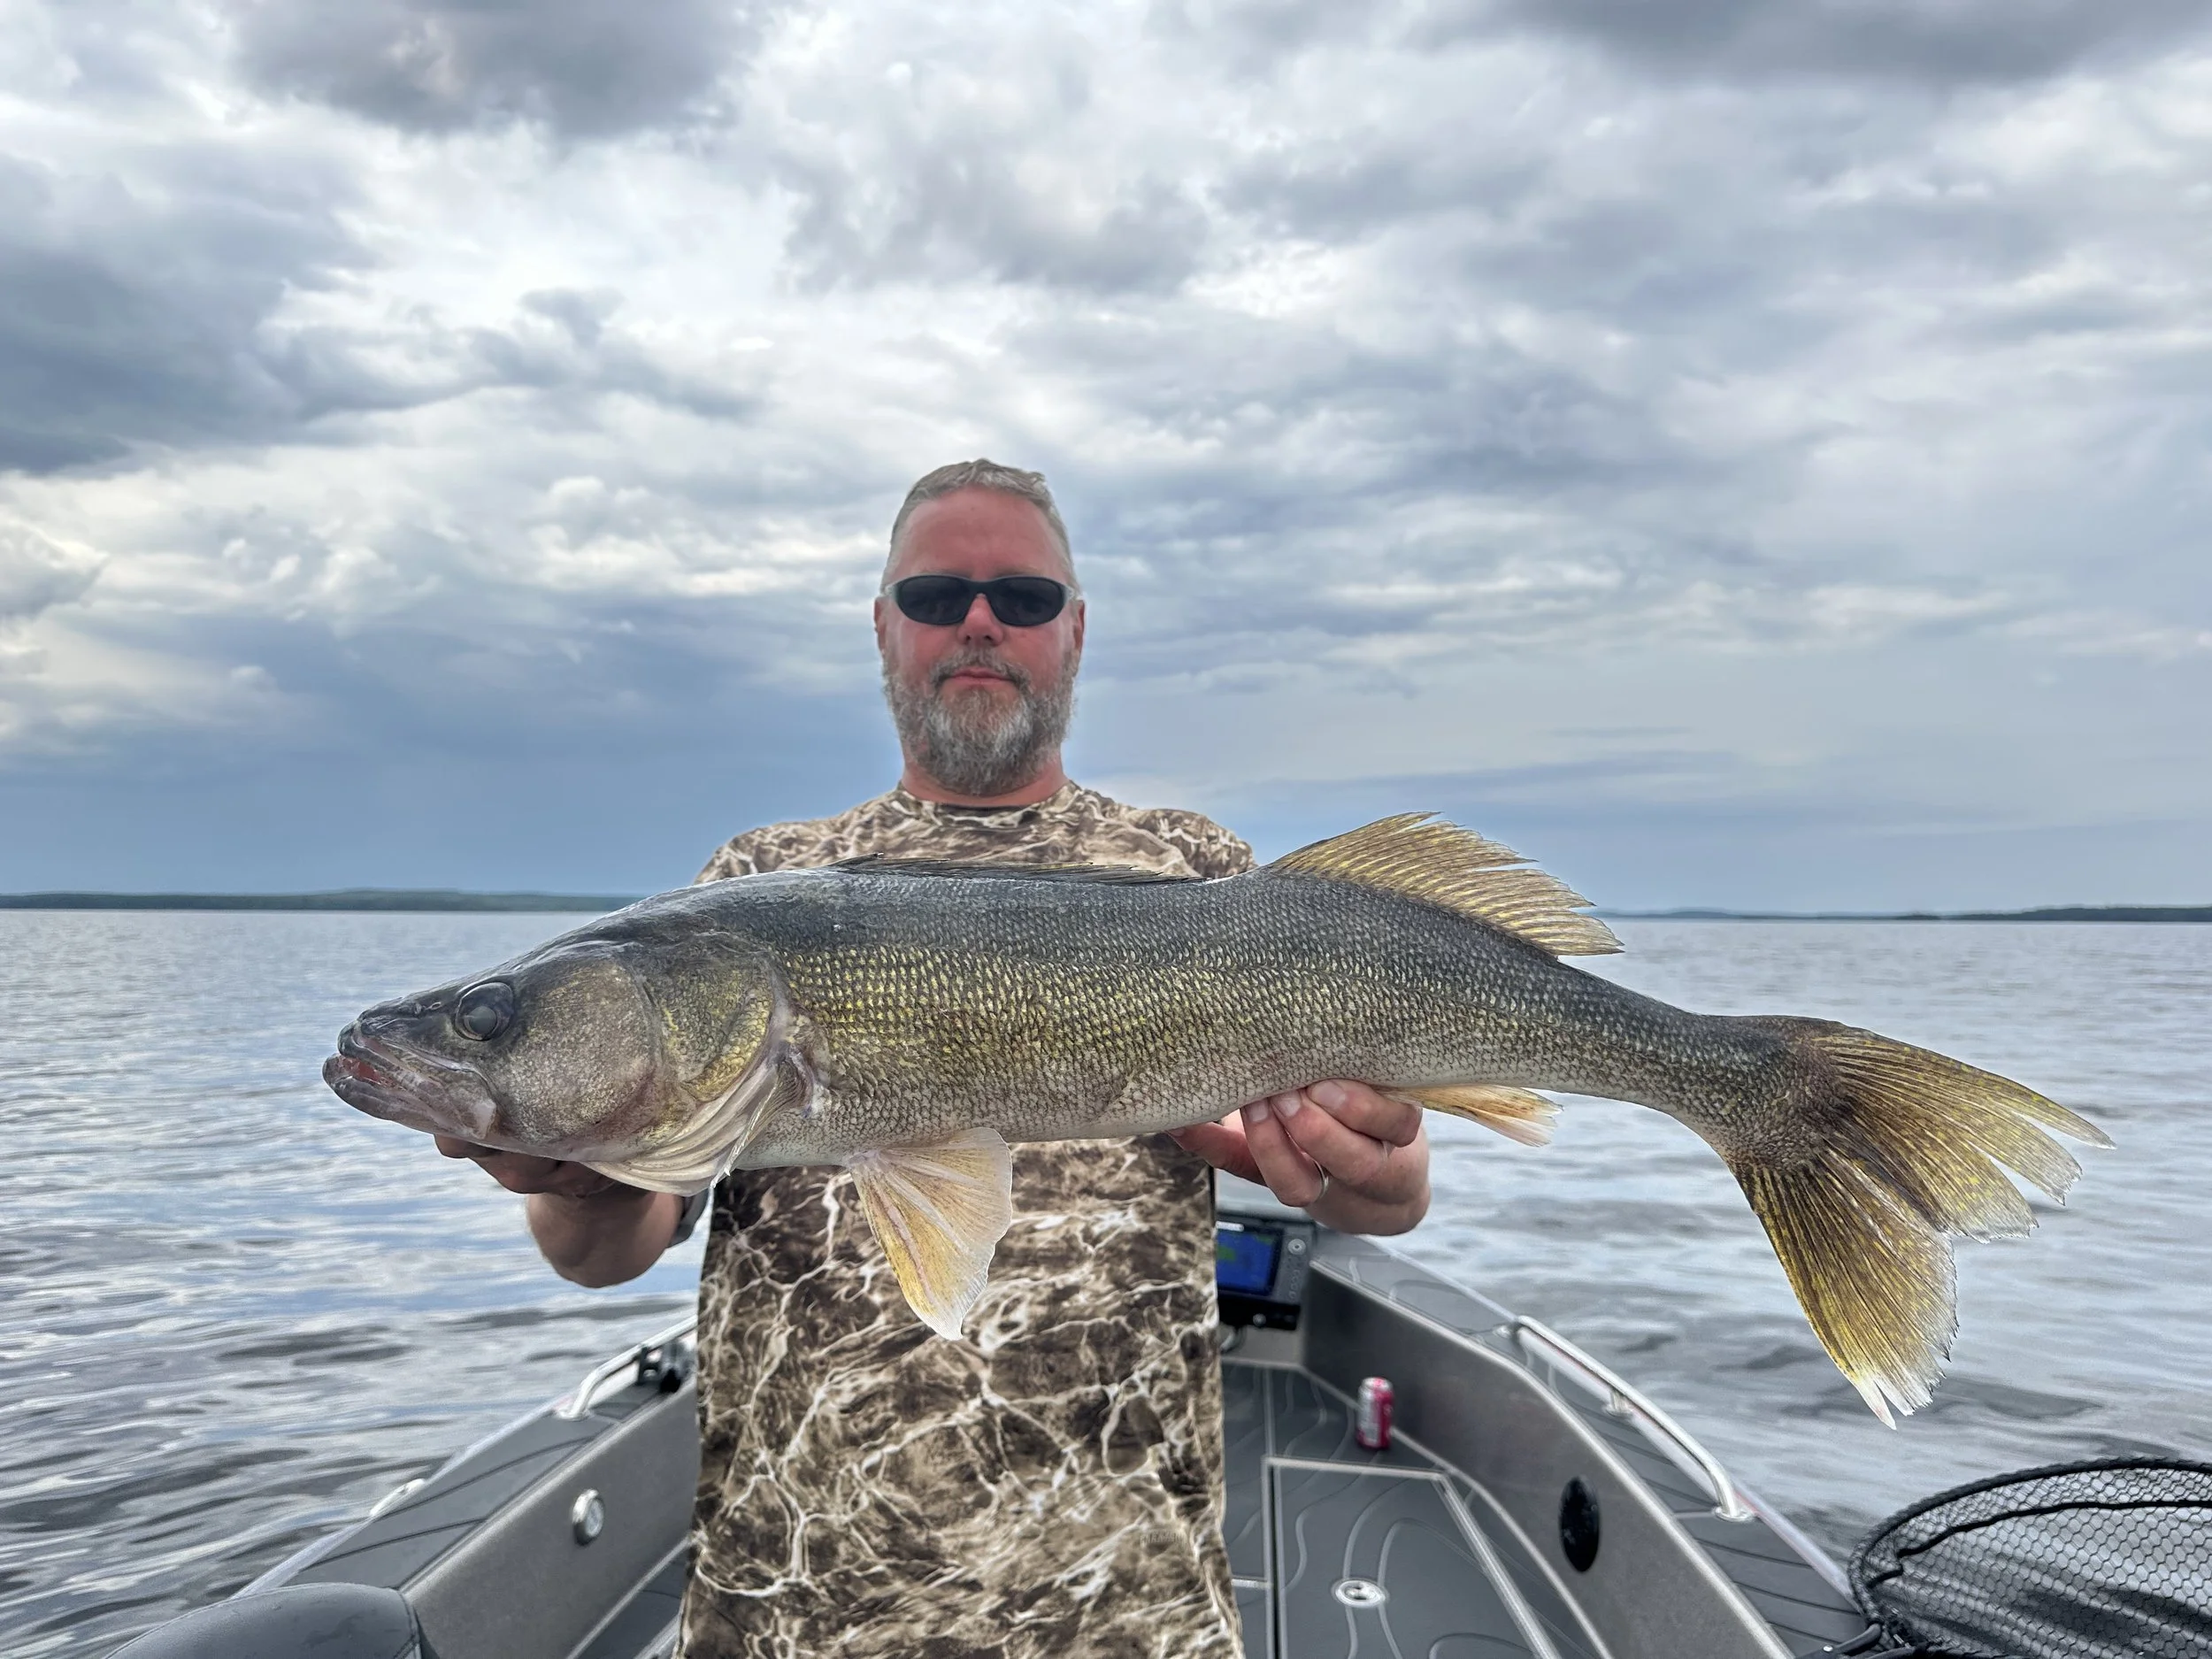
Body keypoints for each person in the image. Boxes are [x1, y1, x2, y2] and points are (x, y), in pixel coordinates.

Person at [434, 459, 1432, 1659]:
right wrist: (577, 1170)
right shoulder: (753, 886)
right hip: (794, 1610)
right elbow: (603, 1248)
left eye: (1020, 597)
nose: (976, 622)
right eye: (934, 595)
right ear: (881, 626)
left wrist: (1369, 1168)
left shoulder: (1194, 865)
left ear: (1074, 630)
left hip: (1133, 1613)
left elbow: (1391, 1195)